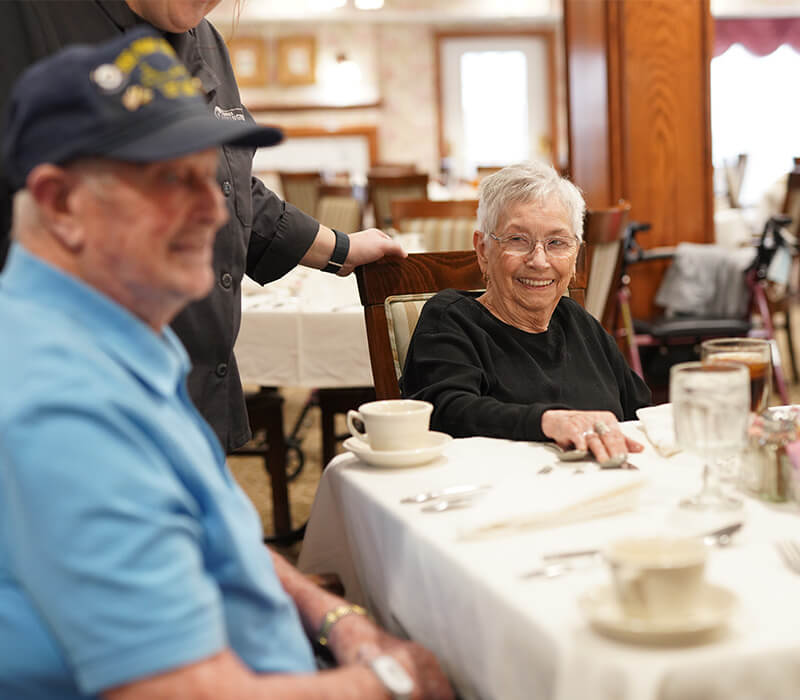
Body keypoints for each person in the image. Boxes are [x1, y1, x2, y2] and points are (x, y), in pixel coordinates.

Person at [0, 29, 451, 700]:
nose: (213, 211)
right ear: (63, 205)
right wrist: (385, 683)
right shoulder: (62, 399)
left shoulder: (121, 339)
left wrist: (336, 619)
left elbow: (211, 534)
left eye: (210, 176)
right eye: (169, 181)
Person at [0, 0, 406, 452]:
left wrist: (337, 246)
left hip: (191, 379)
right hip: (74, 395)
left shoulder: (205, 38)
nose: (211, 213)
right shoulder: (25, 18)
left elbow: (231, 184)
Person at [401, 162, 652, 463]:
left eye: (557, 243)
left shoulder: (580, 323)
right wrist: (548, 422)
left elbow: (641, 416)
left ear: (576, 255)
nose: (539, 260)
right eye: (517, 240)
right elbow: (444, 413)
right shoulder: (452, 320)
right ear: (482, 250)